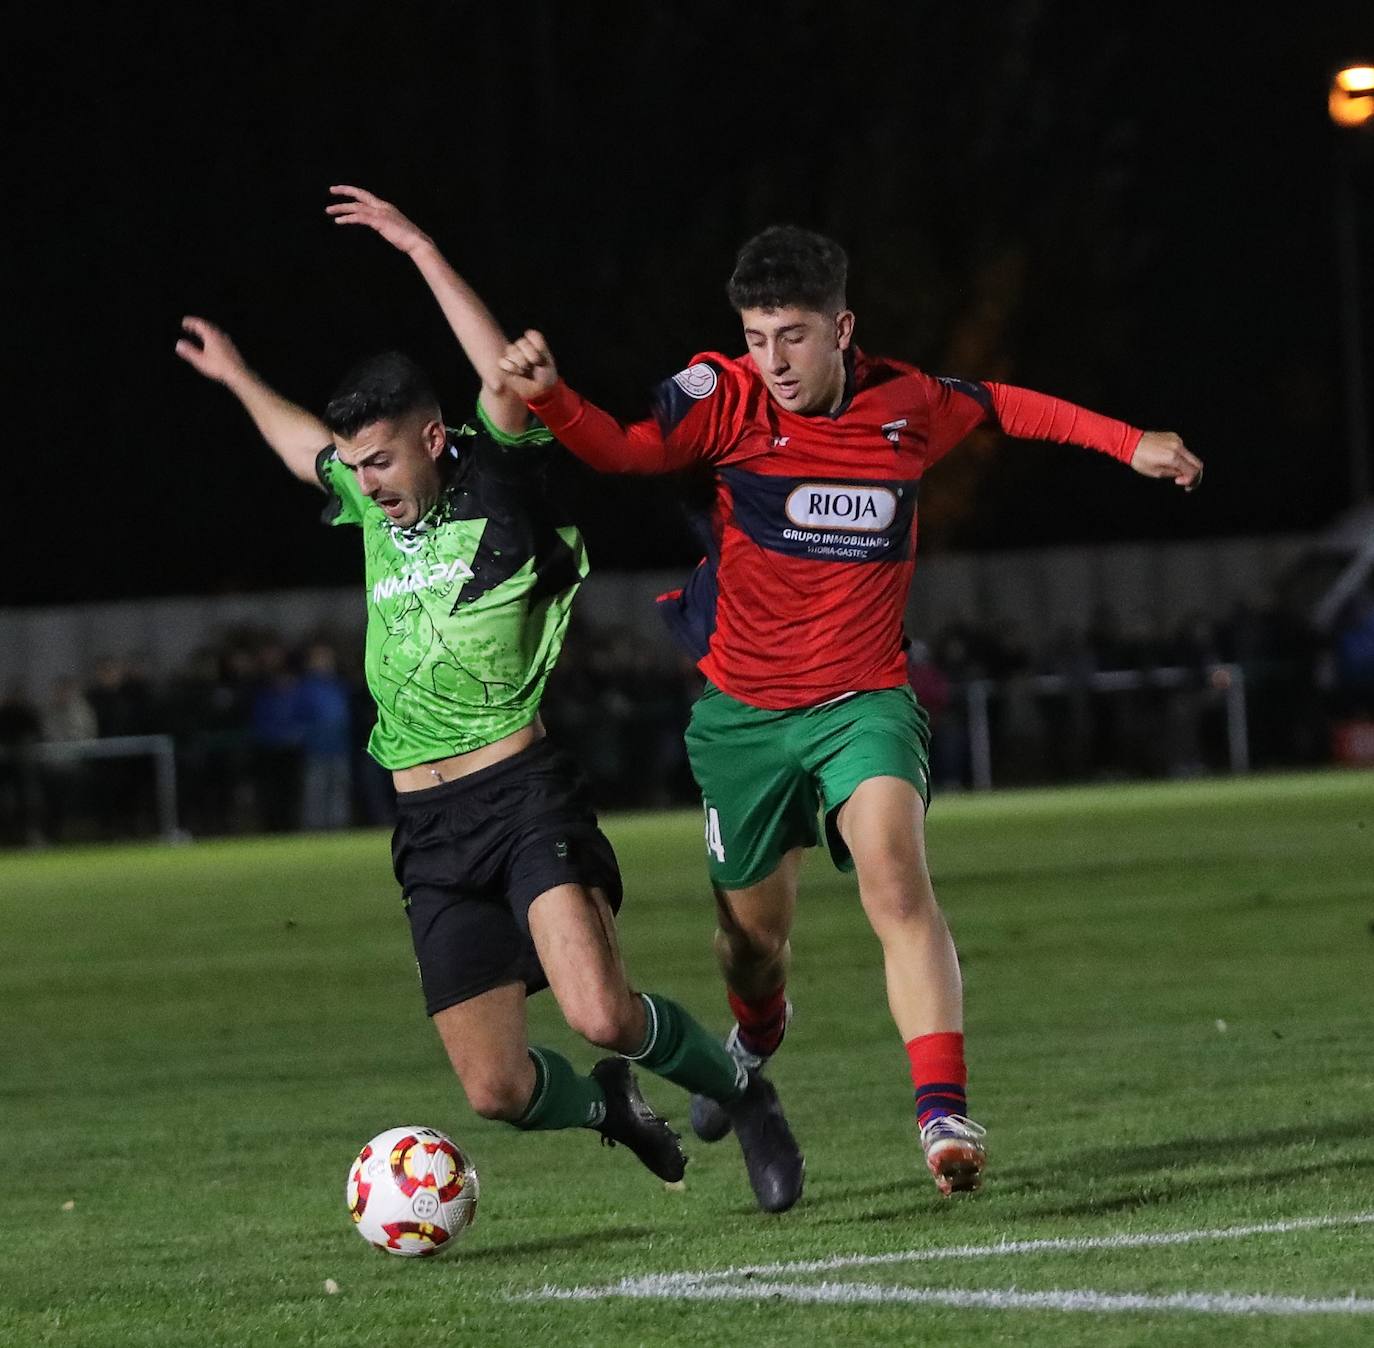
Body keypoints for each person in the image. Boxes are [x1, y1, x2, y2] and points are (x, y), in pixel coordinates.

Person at [497, 224, 1205, 1196]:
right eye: (756, 336)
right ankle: (757, 1028)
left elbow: (1004, 403)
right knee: (752, 941)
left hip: (862, 700)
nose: (773, 361)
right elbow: (623, 451)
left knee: (895, 882)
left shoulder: (905, 405)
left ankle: (942, 1114)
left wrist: (1131, 443)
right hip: (742, 716)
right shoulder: (727, 397)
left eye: (792, 335)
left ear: (842, 327)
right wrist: (550, 400)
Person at [174, 189, 803, 1213]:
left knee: (602, 1011)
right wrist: (239, 374)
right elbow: (303, 450)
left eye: (382, 459)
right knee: (497, 1088)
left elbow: (506, 374)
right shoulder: (371, 502)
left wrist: (421, 244)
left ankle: (744, 1091)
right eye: (358, 465)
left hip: (522, 796)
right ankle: (615, 1113)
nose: (366, 483)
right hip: (426, 822)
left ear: (432, 434)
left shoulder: (497, 479)